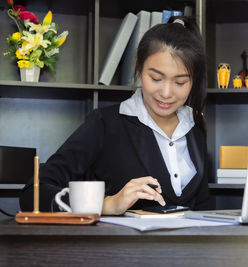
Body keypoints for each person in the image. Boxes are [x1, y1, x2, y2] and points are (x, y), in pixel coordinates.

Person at [19, 16, 210, 215]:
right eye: (156, 78)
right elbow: (32, 193)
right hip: (122, 246)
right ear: (139, 68)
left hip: (190, 246)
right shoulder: (105, 123)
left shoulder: (195, 126)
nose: (167, 93)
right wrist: (105, 204)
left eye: (180, 82)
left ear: (193, 81)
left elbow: (204, 207)